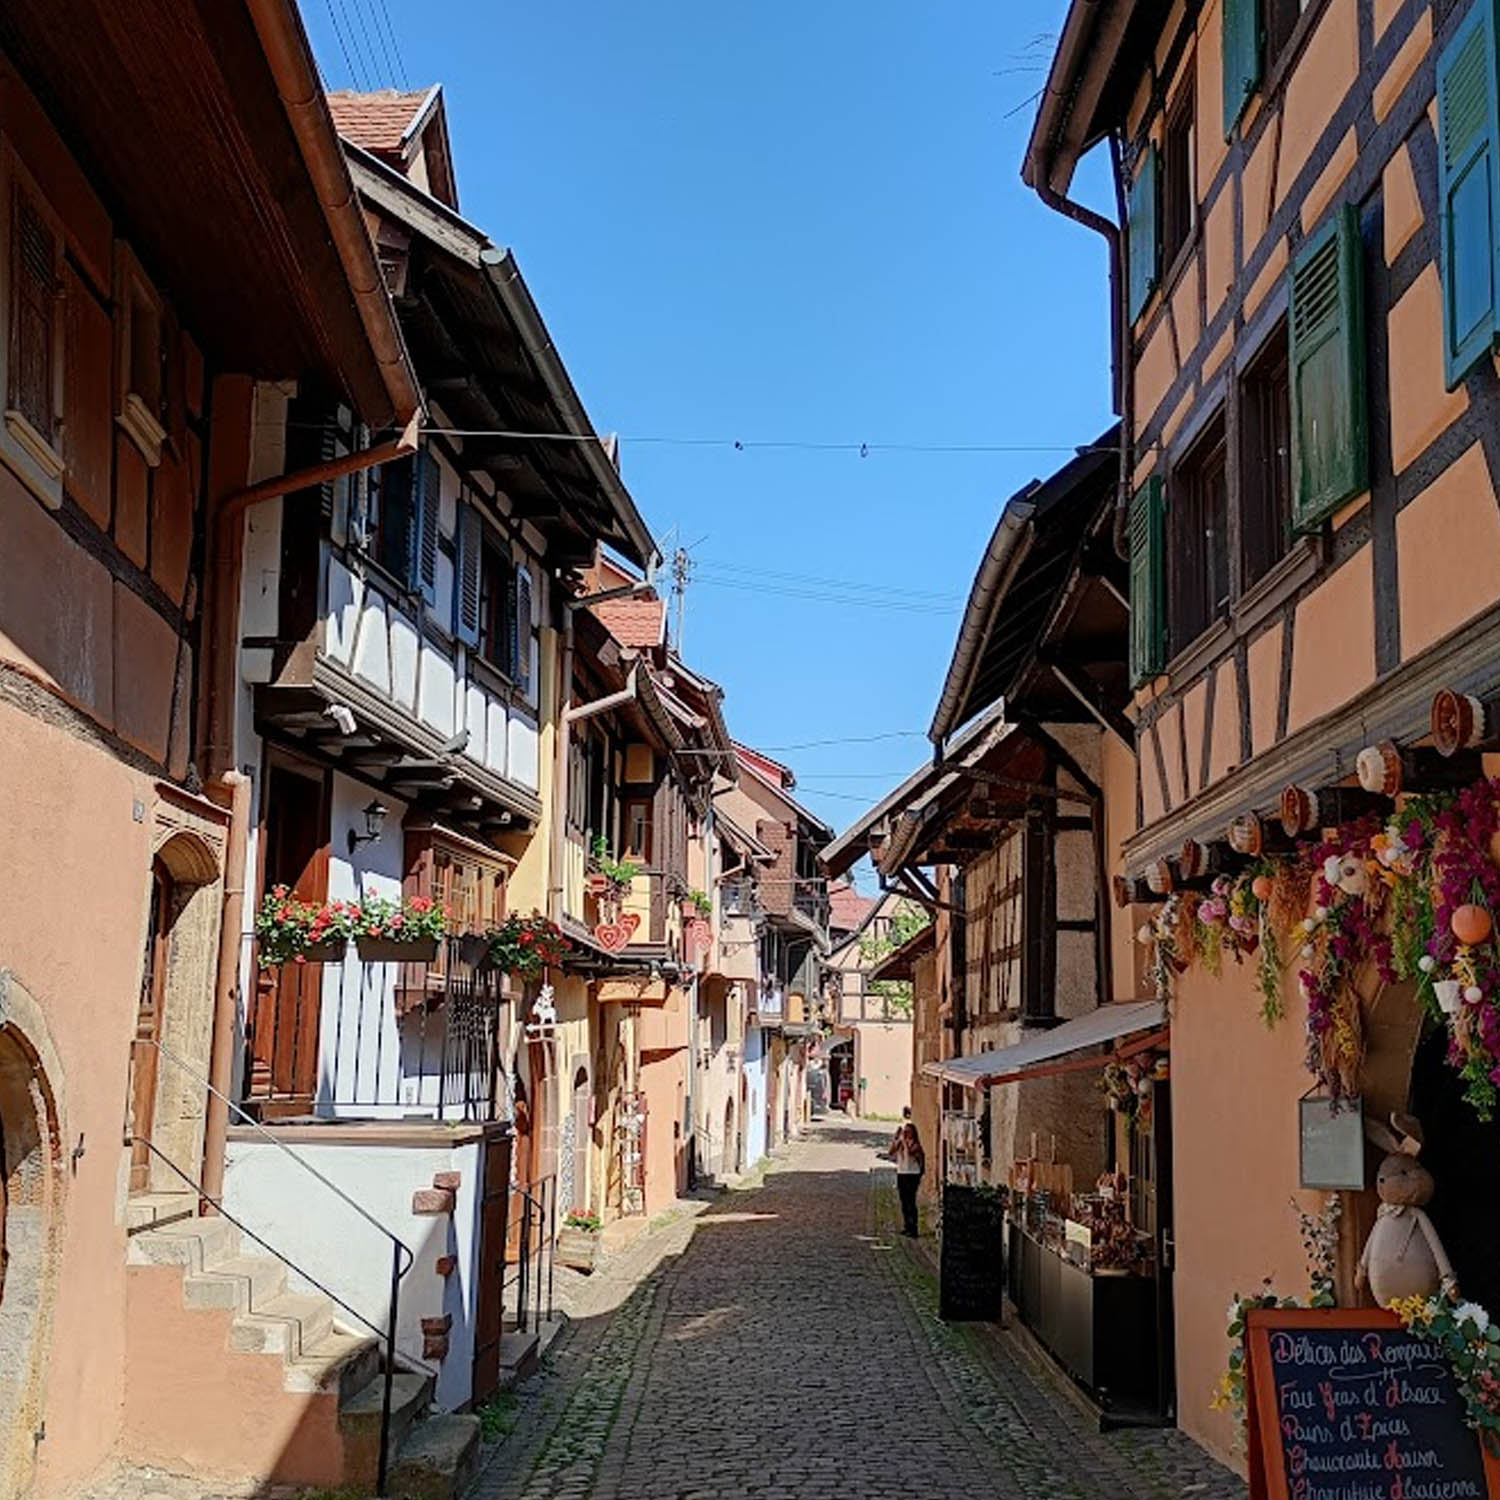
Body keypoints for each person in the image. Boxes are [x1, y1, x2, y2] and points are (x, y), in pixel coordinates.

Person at [892, 1121, 924, 1237]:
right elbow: (891, 1152)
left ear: (913, 1133)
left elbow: (911, 1153)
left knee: (911, 1201)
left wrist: (904, 1142)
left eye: (908, 1131)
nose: (906, 1133)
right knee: (904, 1201)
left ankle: (914, 1228)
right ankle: (907, 1226)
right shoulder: (901, 1142)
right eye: (905, 1131)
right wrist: (896, 1139)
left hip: (912, 1174)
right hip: (902, 1173)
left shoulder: (915, 1144)